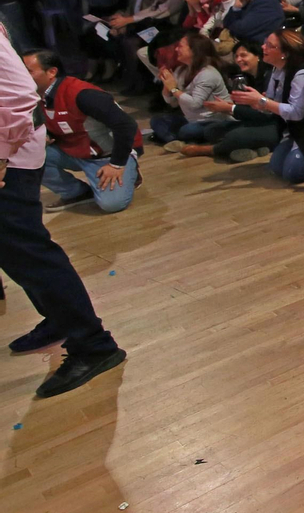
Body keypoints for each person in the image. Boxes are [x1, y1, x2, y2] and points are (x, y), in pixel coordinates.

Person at [0, 28, 126, 396]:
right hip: (13, 154)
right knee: (13, 253)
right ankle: (59, 319)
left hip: (11, 160)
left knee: (29, 252)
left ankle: (93, 344)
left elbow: (20, 95)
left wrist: (1, 156)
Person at [24, 49, 143, 213]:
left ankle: (130, 169)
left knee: (111, 204)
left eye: (28, 71)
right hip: (75, 150)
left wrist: (117, 164)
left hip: (108, 155)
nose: (21, 75)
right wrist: (48, 136)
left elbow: (127, 125)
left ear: (51, 72)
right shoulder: (35, 95)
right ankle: (77, 193)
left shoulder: (83, 94)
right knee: (25, 157)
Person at [225, 30, 304, 184]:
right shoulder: (277, 70)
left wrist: (263, 101)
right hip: (296, 130)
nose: (263, 47)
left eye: (270, 45)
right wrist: (257, 103)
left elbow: (296, 112)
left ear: (285, 53)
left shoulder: (303, 74)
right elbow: (274, 104)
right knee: (276, 167)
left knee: (293, 173)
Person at [150, 32, 230, 147]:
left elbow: (194, 104)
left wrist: (174, 89)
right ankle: (178, 141)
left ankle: (176, 139)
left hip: (212, 121)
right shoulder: (181, 70)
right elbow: (172, 103)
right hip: (190, 119)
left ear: (194, 51)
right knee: (157, 120)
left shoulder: (208, 73)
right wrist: (166, 85)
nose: (176, 49)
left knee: (187, 130)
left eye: (180, 46)